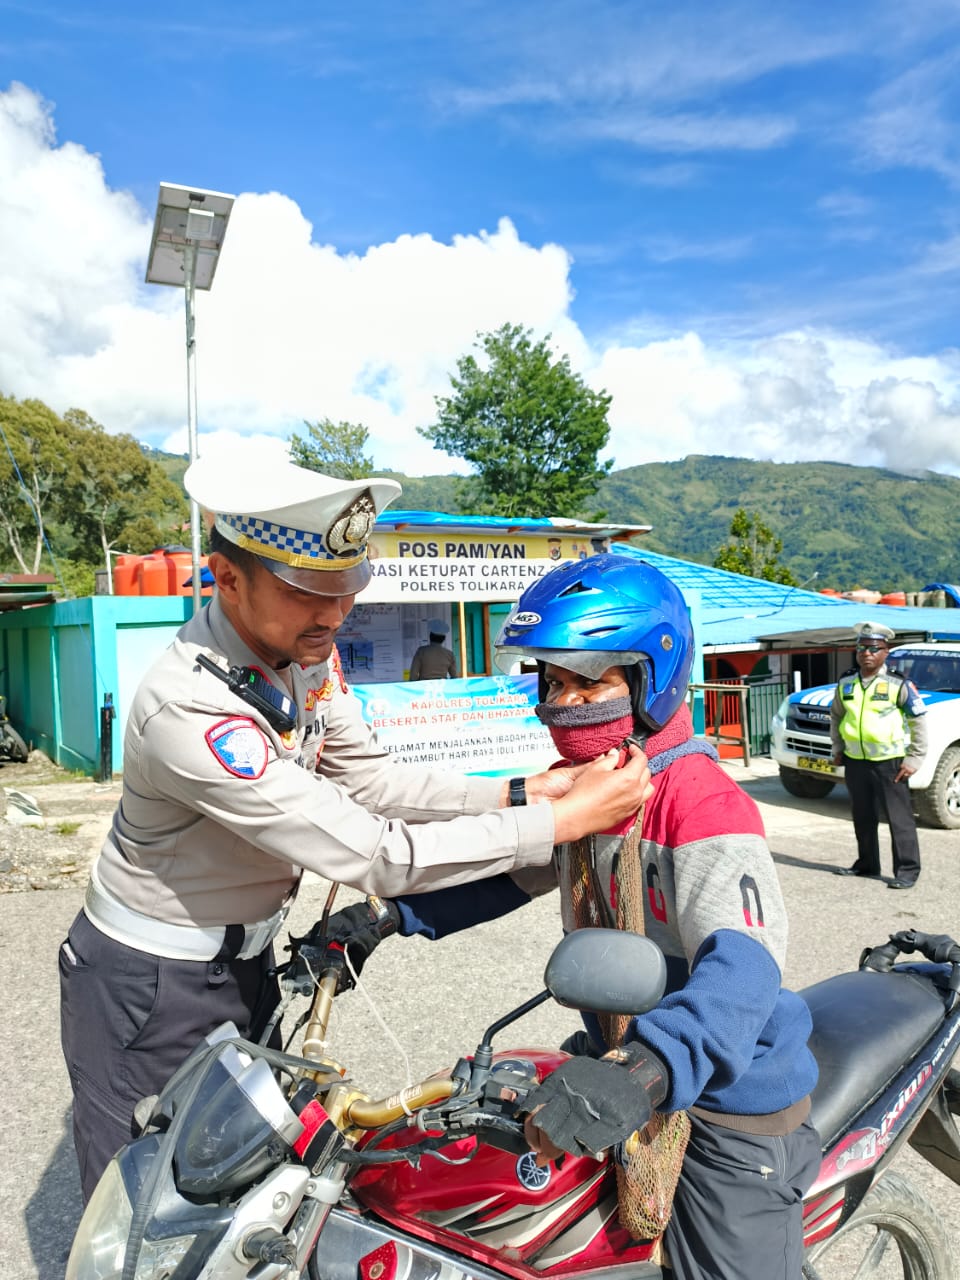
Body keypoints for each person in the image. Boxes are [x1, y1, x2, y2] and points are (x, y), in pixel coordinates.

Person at [58, 455, 652, 1202]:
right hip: (152, 982)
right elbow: (378, 855)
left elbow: (372, 780)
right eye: (308, 592)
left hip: (244, 962)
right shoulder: (193, 710)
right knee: (145, 1199)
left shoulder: (303, 652)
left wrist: (517, 791)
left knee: (239, 1170)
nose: (335, 614)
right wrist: (558, 822)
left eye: (346, 588)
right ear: (227, 578)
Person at [329, 553, 820, 1280]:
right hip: (622, 1061)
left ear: (651, 678)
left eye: (590, 681)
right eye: (554, 682)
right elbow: (507, 874)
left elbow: (744, 968)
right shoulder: (593, 790)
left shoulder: (702, 802)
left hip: (727, 1097)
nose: (566, 701)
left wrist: (647, 1069)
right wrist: (388, 916)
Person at [831, 620, 927, 889]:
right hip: (855, 761)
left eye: (874, 648)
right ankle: (867, 864)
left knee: (899, 819)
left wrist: (915, 758)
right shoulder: (846, 682)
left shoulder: (898, 684)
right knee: (862, 816)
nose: (867, 653)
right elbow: (836, 716)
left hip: (890, 763)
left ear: (886, 652)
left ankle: (907, 871)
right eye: (862, 648)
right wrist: (837, 748)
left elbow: (918, 720)